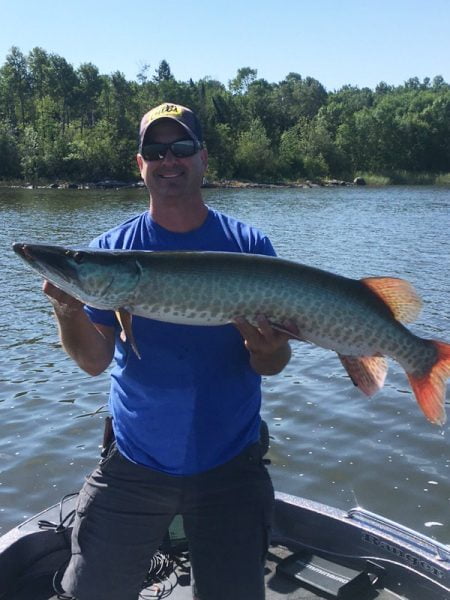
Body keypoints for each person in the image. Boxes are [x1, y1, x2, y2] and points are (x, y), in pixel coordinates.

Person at [43, 102, 296, 600]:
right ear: (140, 165)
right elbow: (94, 361)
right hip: (134, 462)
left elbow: (273, 362)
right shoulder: (112, 249)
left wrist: (266, 351)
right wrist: (68, 311)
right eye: (154, 151)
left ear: (203, 158)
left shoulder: (248, 245)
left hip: (230, 464)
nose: (168, 159)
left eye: (181, 148)